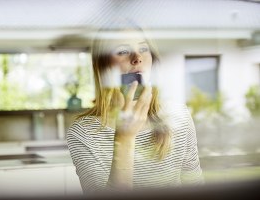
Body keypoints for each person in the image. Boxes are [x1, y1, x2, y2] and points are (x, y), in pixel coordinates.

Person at [66, 23, 204, 194]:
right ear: (103, 67)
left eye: (144, 48)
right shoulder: (83, 132)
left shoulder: (178, 115)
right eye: (123, 51)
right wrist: (124, 137)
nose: (137, 58)